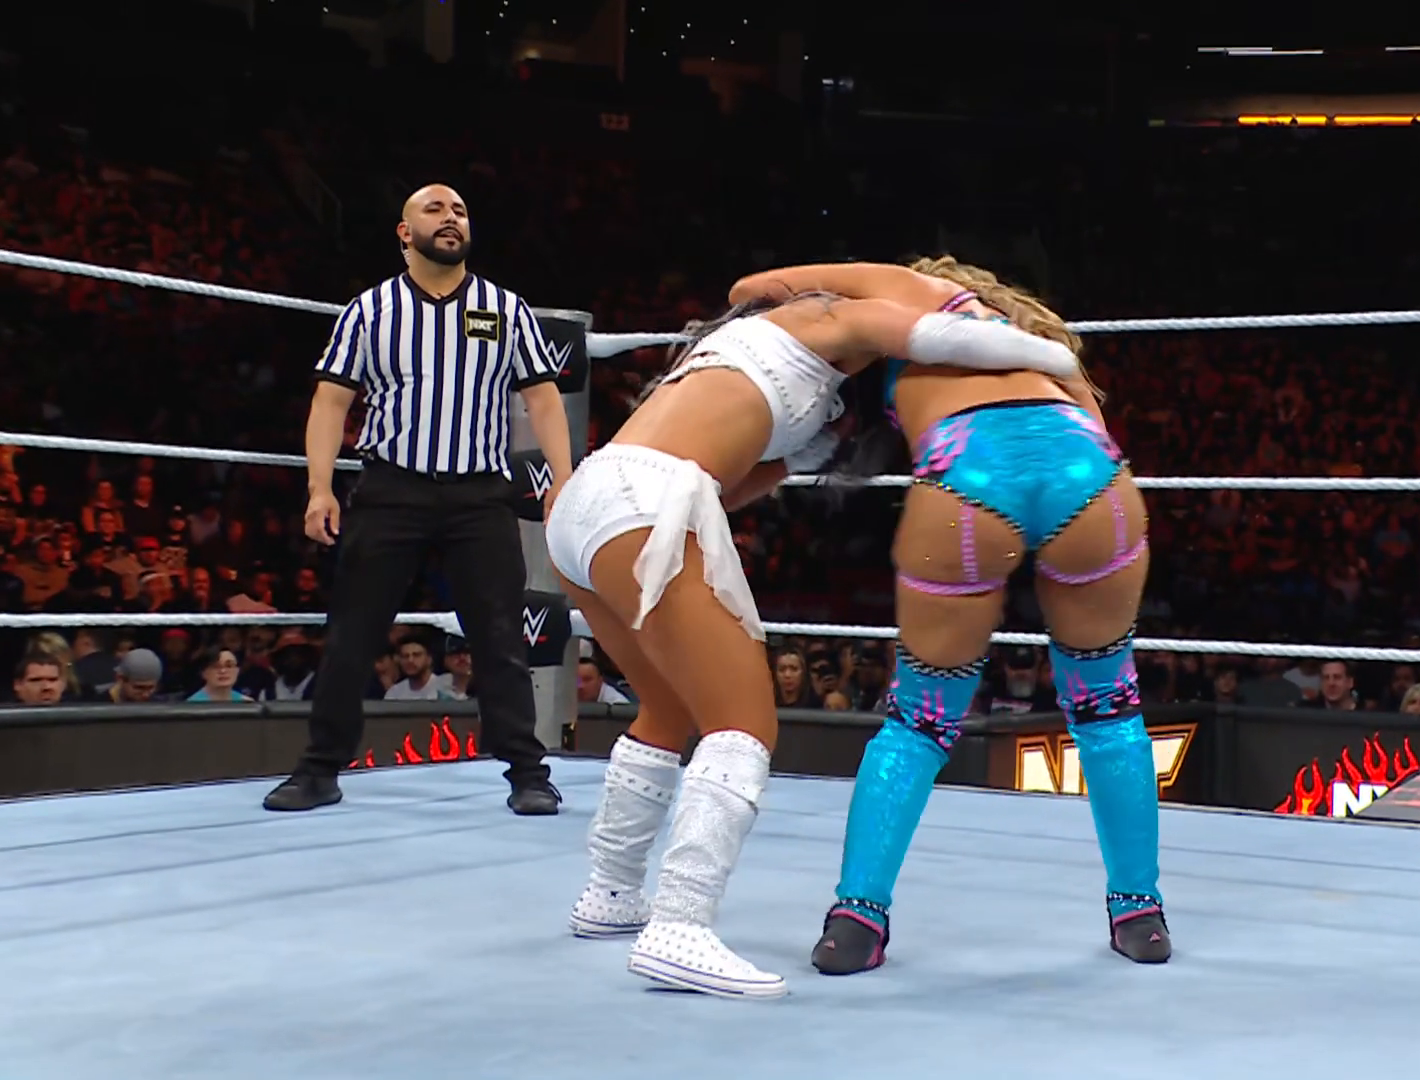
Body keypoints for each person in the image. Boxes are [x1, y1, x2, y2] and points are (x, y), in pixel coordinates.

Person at [544, 286, 1084, 999]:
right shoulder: (821, 315)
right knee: (743, 724)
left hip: (592, 501)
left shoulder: (750, 365)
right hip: (644, 498)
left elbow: (730, 485)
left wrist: (809, 451)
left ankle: (610, 893)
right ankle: (680, 925)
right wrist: (1056, 361)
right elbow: (949, 336)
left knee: (668, 709)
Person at [728, 259, 1169, 974]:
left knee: (920, 720)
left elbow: (753, 287)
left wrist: (834, 327)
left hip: (971, 472)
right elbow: (1091, 425)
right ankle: (1140, 914)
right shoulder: (1037, 344)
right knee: (1108, 706)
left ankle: (856, 922)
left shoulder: (917, 292)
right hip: (1090, 477)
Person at [262, 183, 575, 817]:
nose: (451, 217)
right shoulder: (371, 310)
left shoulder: (505, 308)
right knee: (352, 632)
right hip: (392, 488)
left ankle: (527, 772)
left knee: (500, 635)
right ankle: (319, 768)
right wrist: (319, 487)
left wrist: (564, 479)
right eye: (434, 209)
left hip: (480, 493)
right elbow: (331, 400)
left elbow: (543, 398)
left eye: (460, 210)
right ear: (405, 233)